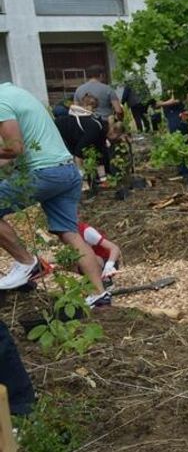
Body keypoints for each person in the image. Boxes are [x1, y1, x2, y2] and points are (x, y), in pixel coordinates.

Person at [0, 82, 112, 308]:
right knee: (68, 232)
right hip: (66, 171)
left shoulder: (0, 102)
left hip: (45, 173)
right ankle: (99, 295)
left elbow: (14, 148)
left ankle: (28, 263)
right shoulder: (15, 92)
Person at [77, 221, 122, 285]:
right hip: (91, 262)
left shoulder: (86, 232)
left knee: (86, 254)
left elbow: (115, 248)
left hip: (106, 262)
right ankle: (91, 279)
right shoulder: (66, 234)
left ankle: (105, 281)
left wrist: (109, 265)